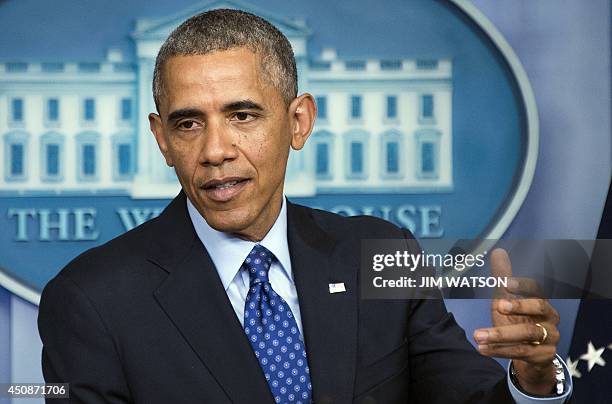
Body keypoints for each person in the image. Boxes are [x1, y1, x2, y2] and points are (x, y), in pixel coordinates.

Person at [38, 9, 572, 404]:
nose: (216, 150)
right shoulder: (90, 300)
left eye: (243, 115)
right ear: (161, 138)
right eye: (188, 122)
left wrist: (533, 379)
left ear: (299, 122)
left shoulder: (379, 253)